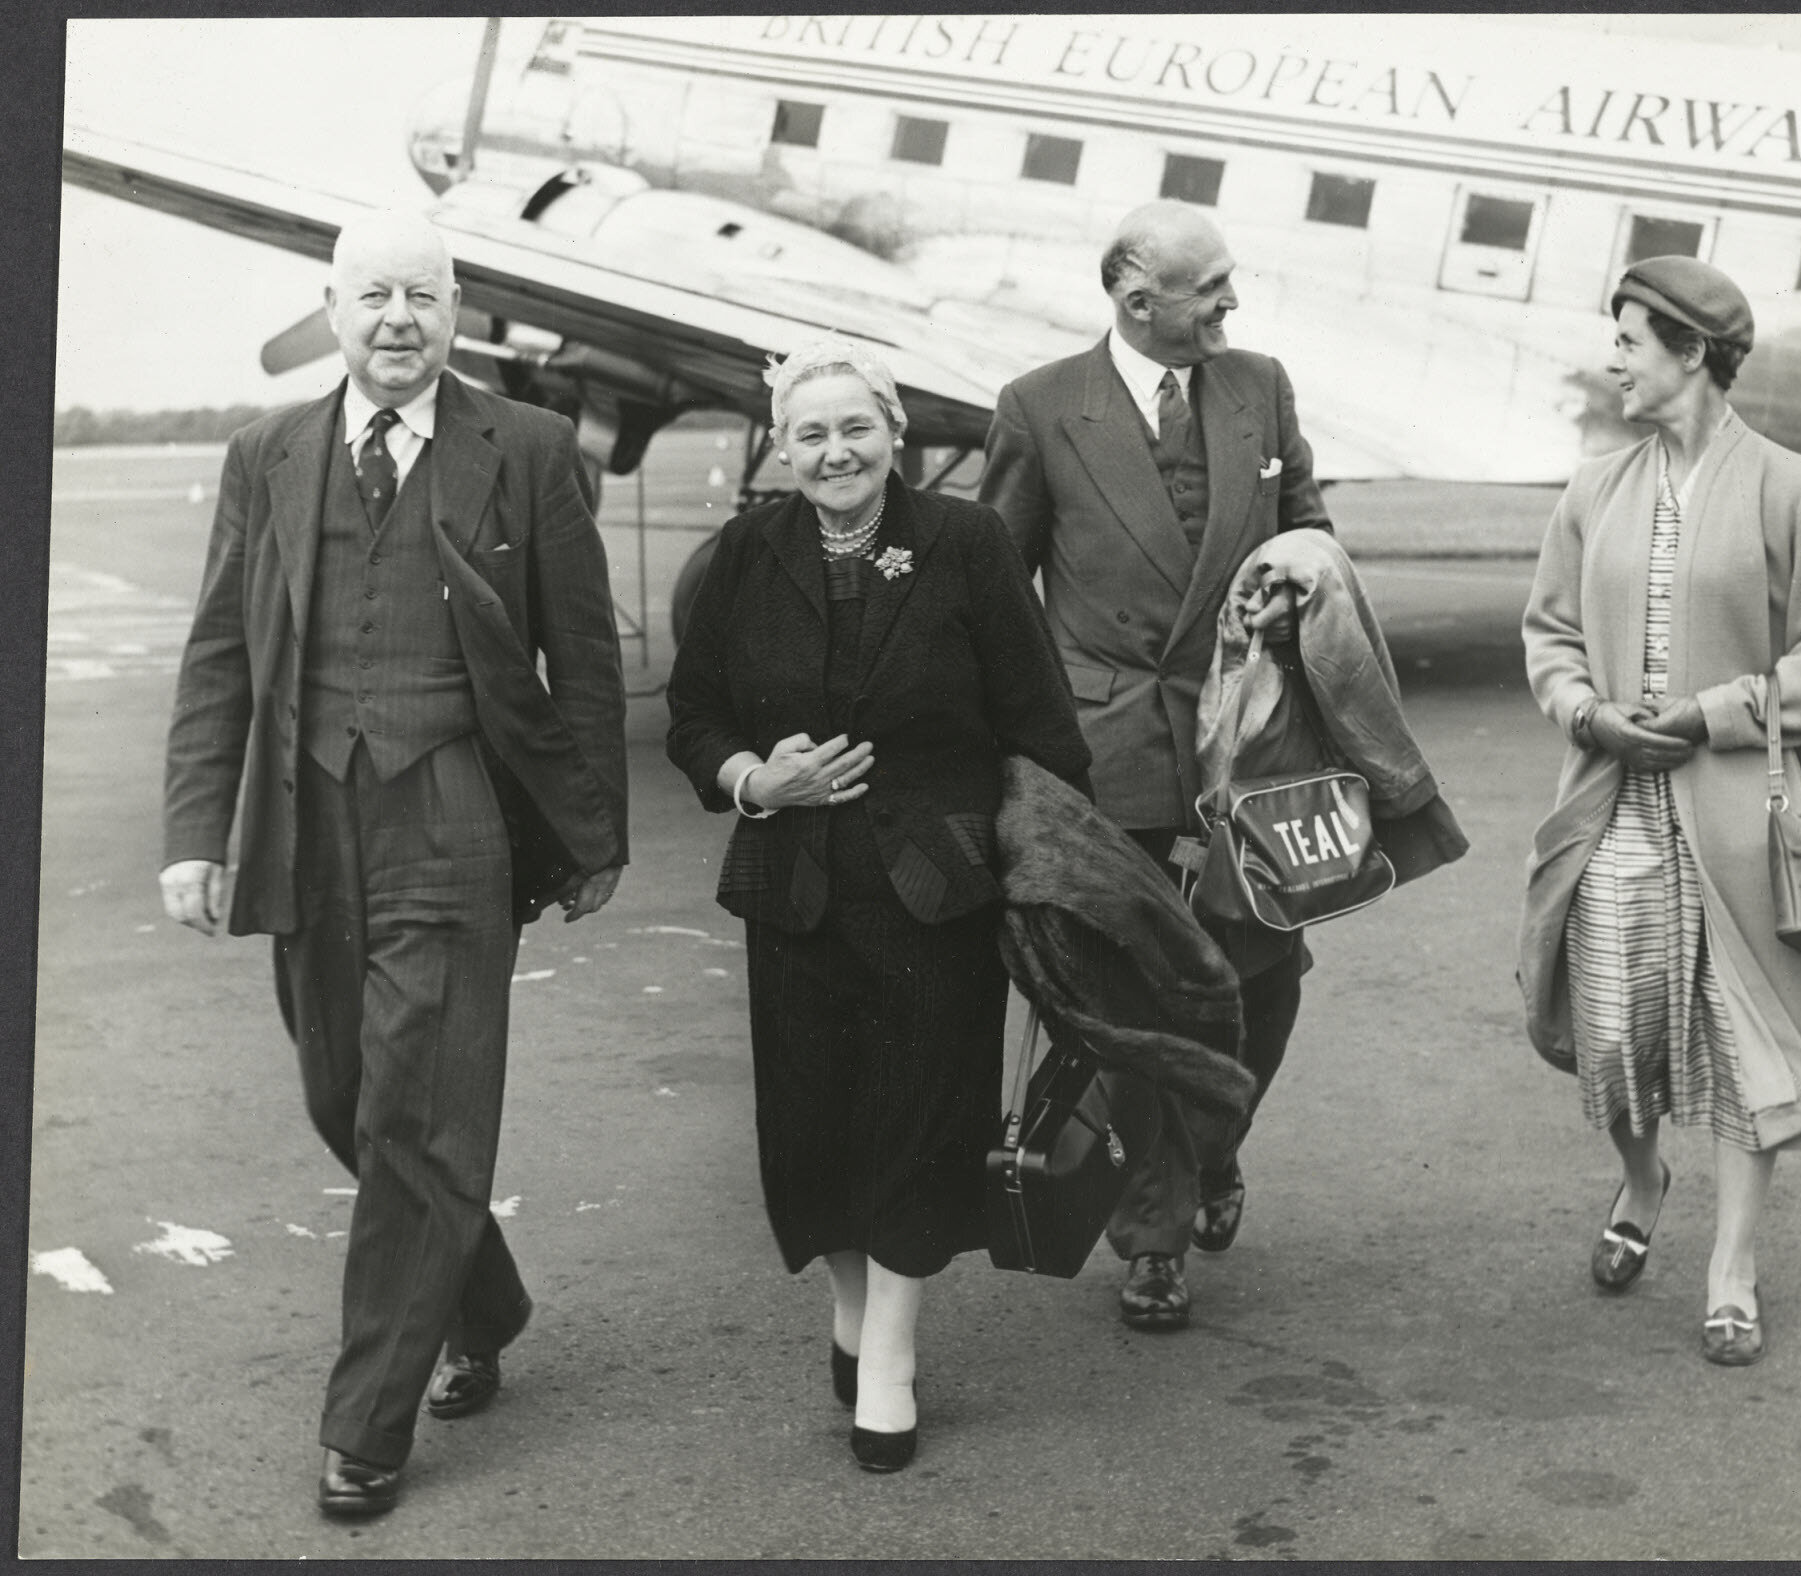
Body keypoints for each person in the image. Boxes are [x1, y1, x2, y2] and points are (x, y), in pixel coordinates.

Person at [158, 212, 628, 1514]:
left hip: (456, 817)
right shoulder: (269, 452)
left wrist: (591, 837)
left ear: (458, 307)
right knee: (343, 1099)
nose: (399, 319)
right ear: (334, 306)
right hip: (308, 827)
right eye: (375, 297)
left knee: (415, 1113)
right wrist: (195, 836)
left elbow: (583, 658)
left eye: (423, 295)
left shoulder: (525, 452)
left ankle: (367, 1421)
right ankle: (486, 1298)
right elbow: (215, 656)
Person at [664, 337, 1090, 1473]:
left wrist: (1040, 871)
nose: (834, 450)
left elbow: (1041, 726)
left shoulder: (965, 542)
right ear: (779, 448)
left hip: (933, 891)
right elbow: (692, 715)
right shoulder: (746, 552)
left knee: (914, 1117)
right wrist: (755, 778)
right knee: (815, 1127)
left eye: (856, 426)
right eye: (809, 433)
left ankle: (890, 1352)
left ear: (893, 434)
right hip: (791, 885)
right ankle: (851, 1306)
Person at [980, 200, 1332, 1333]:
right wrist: (1039, 743)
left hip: (1249, 736)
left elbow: (1311, 529)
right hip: (1110, 748)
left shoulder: (1259, 388)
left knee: (1264, 982)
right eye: (1211, 286)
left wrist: (1300, 576)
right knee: (1139, 998)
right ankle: (1153, 1231)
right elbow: (997, 592)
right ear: (1138, 300)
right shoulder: (1039, 408)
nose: (1231, 302)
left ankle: (1211, 1143)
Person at [1518, 256, 1801, 1366]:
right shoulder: (1592, 487)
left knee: (1740, 1046)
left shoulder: (1793, 487)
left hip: (1736, 819)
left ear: (1690, 353)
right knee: (1615, 1035)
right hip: (1610, 810)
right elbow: (1549, 632)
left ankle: (1731, 1265)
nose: (1613, 360)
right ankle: (1640, 1176)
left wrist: (1717, 711)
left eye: (1629, 340)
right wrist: (1584, 713)